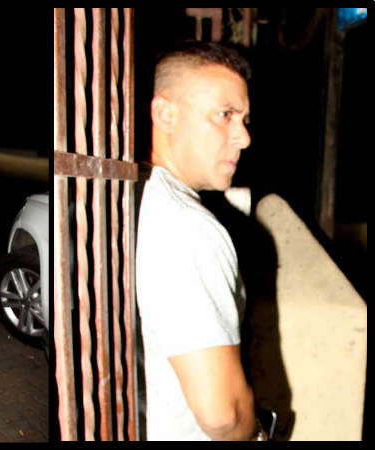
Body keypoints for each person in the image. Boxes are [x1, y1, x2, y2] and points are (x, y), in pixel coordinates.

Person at [135, 42, 268, 441]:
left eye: (244, 119)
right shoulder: (187, 227)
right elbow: (222, 416)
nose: (243, 137)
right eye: (225, 115)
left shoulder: (130, 197)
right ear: (165, 114)